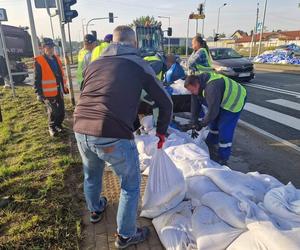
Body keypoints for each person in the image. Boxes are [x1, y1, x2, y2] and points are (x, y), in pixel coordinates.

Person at [73, 26, 173, 249]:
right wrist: (162, 132)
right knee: (130, 184)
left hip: (80, 127)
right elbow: (166, 102)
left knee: (92, 172)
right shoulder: (138, 64)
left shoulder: (95, 63)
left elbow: (91, 92)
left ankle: (96, 209)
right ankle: (126, 234)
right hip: (111, 132)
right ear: (133, 43)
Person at [184, 72, 247, 165]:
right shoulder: (197, 84)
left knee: (224, 128)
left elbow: (213, 112)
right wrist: (193, 122)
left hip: (234, 101)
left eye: (192, 90)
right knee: (213, 124)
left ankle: (223, 157)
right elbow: (195, 105)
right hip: (221, 99)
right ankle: (211, 143)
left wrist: (201, 125)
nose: (191, 93)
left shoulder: (211, 88)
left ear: (196, 85)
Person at [34, 38, 69, 137]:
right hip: (47, 92)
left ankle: (59, 125)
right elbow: (37, 79)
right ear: (43, 48)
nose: (51, 49)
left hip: (58, 89)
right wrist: (39, 93)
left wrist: (64, 87)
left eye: (52, 47)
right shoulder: (39, 61)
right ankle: (52, 127)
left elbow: (60, 74)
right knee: (54, 111)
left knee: (61, 111)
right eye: (48, 47)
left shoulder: (56, 59)